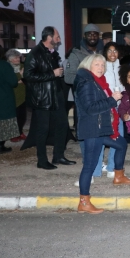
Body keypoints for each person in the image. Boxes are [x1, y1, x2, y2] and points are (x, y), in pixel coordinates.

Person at [74, 54, 130, 214]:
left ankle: (118, 176)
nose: (101, 68)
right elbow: (90, 108)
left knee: (121, 144)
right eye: (97, 65)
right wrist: (112, 100)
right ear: (88, 65)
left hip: (101, 128)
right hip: (92, 130)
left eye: (103, 65)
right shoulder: (87, 83)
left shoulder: (97, 82)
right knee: (89, 165)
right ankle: (84, 202)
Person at [24, 26, 76, 170]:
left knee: (62, 125)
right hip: (43, 97)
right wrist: (52, 74)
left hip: (56, 95)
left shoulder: (52, 53)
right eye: (57, 37)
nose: (59, 40)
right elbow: (28, 75)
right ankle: (42, 160)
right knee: (43, 129)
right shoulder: (35, 53)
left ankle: (58, 156)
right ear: (49, 38)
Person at [93, 42, 125, 179]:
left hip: (119, 106)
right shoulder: (101, 67)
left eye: (115, 51)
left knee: (118, 137)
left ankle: (112, 167)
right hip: (106, 107)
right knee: (102, 137)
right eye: (110, 51)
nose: (112, 54)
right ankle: (97, 168)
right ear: (105, 52)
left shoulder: (122, 68)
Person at [5, 49, 27, 142]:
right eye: (15, 57)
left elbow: (27, 78)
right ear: (9, 59)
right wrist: (19, 76)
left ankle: (20, 132)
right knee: (13, 116)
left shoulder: (23, 66)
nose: (18, 59)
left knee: (22, 116)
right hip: (11, 95)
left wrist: (20, 80)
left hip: (23, 95)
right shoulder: (6, 68)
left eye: (18, 57)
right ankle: (13, 134)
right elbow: (9, 81)